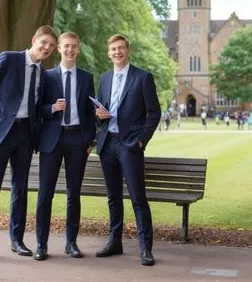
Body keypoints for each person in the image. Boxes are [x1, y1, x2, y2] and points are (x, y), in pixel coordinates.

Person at [0, 26, 58, 262]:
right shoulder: (8, 58)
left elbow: (37, 107)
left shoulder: (42, 74)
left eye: (51, 46)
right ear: (34, 39)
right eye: (43, 42)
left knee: (20, 187)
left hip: (25, 134)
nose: (46, 48)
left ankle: (17, 240)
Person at [95, 34, 161, 266]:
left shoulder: (143, 78)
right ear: (109, 52)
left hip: (130, 145)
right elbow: (100, 109)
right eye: (113, 49)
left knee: (138, 198)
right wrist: (99, 115)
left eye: (120, 48)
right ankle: (115, 242)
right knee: (113, 198)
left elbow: (154, 113)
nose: (117, 52)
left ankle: (145, 248)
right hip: (107, 143)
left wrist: (141, 140)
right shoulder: (104, 78)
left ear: (128, 50)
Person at [33, 31, 96, 261]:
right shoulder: (46, 76)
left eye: (73, 47)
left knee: (73, 194)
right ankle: (41, 244)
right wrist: (52, 108)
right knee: (45, 194)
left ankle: (71, 243)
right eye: (66, 46)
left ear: (78, 50)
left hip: (77, 141)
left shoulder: (87, 78)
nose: (70, 50)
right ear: (59, 48)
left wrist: (90, 140)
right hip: (52, 140)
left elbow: (91, 113)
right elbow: (36, 109)